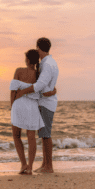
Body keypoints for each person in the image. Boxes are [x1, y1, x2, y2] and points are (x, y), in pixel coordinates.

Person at [15, 37, 59, 174]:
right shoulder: (49, 62)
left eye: (37, 48)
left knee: (46, 135)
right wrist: (52, 90)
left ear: (39, 48)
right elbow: (46, 84)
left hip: (46, 103)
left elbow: (40, 85)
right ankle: (45, 164)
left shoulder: (47, 64)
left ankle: (49, 166)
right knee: (43, 134)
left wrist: (24, 91)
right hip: (45, 101)